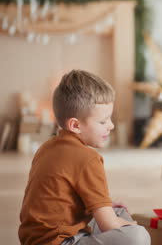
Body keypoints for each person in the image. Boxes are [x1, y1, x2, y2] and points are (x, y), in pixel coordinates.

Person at [18, 70, 150, 245]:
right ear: (75, 125)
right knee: (138, 236)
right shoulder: (88, 159)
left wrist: (110, 211)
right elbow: (109, 225)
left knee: (117, 211)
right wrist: (132, 225)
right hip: (60, 242)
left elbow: (63, 199)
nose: (110, 126)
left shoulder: (47, 147)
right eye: (103, 121)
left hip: (36, 239)